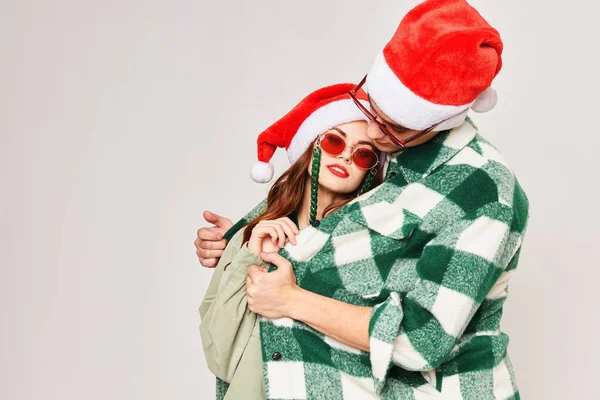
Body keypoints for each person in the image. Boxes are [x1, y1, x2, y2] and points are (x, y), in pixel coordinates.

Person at [196, 1, 529, 398]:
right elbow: (325, 226)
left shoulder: (483, 191)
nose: (371, 129)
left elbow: (422, 339)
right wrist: (237, 239)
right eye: (370, 103)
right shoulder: (388, 150)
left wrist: (291, 300)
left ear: (442, 120)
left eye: (392, 124)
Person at [199, 84, 382, 400]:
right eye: (334, 140)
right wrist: (244, 253)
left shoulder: (368, 240)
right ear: (311, 144)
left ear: (371, 170)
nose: (346, 156)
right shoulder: (256, 232)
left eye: (363, 153)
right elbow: (222, 356)